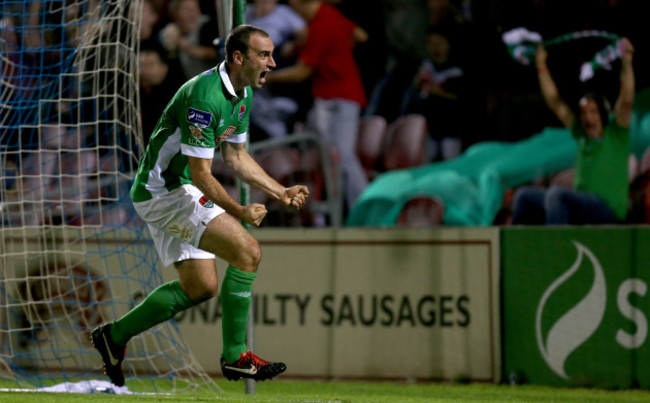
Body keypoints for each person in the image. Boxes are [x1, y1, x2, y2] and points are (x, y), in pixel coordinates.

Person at [91, 25, 310, 385]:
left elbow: (237, 156)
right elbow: (202, 174)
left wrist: (279, 190)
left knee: (201, 288)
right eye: (264, 55)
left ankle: (113, 336)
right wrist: (240, 212)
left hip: (177, 188)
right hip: (165, 191)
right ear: (239, 58)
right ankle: (236, 356)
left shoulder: (242, 92)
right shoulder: (204, 97)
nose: (272, 62)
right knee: (247, 252)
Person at [511, 38, 635, 225]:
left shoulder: (617, 134)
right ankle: (520, 251)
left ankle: (558, 250)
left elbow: (626, 99)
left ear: (602, 114)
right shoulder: (581, 133)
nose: (587, 117)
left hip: (607, 208)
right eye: (584, 112)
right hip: (580, 204)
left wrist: (626, 61)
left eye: (593, 112)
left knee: (557, 195)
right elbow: (555, 102)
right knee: (523, 197)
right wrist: (541, 66)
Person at [266, 0, 369, 212]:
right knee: (322, 153)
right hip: (332, 97)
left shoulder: (321, 26)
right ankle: (330, 209)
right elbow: (360, 35)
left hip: (339, 98)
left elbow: (302, 71)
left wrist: (268, 77)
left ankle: (365, 208)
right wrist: (335, 51)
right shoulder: (329, 14)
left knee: (343, 155)